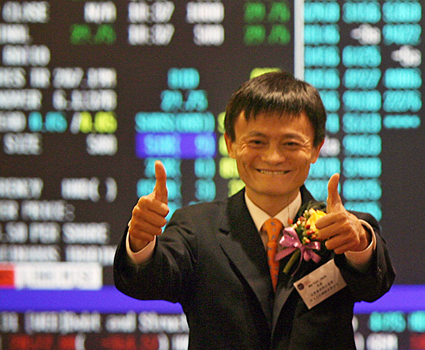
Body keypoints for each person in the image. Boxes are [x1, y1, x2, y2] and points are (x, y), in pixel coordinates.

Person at [114, 71, 395, 349]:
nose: (273, 157)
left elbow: (374, 286)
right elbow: (148, 282)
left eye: (291, 143)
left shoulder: (341, 229)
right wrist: (140, 241)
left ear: (316, 148)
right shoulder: (196, 227)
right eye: (257, 142)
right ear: (231, 144)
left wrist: (359, 245)